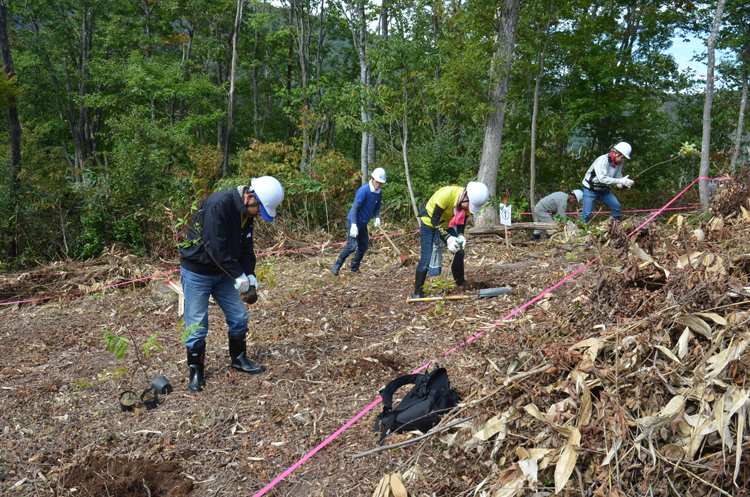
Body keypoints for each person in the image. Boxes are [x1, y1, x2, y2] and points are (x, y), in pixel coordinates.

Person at [179, 176, 284, 393]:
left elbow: (245, 246)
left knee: (239, 317)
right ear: (250, 197)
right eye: (259, 210)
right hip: (198, 270)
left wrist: (250, 274)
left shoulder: (247, 212)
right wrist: (238, 275)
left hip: (224, 272)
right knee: (197, 324)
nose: (258, 215)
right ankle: (196, 371)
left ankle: (239, 359)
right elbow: (213, 245)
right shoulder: (219, 204)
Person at [412, 181, 490, 299]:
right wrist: (448, 239)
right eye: (468, 206)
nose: (468, 209)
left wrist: (460, 235)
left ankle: (460, 283)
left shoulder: (468, 202)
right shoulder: (446, 195)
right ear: (465, 195)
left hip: (445, 224)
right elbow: (434, 220)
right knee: (426, 257)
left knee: (459, 251)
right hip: (429, 221)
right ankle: (417, 292)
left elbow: (462, 221)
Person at [330, 168, 386, 276]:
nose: (379, 185)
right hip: (353, 221)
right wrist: (354, 225)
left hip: (363, 223)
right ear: (372, 178)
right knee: (352, 246)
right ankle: (337, 265)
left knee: (363, 246)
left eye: (381, 183)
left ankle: (355, 267)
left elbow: (376, 207)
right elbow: (355, 208)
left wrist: (377, 217)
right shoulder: (363, 190)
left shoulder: (379, 193)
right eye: (377, 182)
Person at [580, 142, 634, 223]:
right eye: (622, 158)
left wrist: (624, 184)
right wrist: (620, 181)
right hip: (590, 188)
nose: (622, 160)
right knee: (586, 214)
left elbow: (618, 178)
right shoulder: (602, 160)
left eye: (624, 159)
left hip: (603, 189)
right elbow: (602, 179)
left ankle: (616, 227)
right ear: (616, 153)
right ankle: (580, 231)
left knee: (616, 207)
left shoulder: (618, 164)